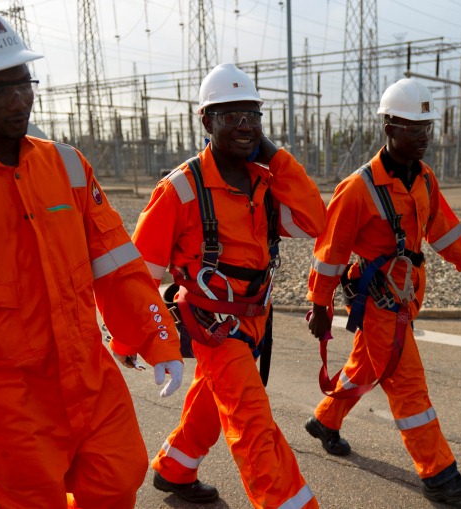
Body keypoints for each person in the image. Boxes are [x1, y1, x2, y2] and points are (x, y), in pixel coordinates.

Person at [0, 3, 184, 508]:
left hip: (92, 382)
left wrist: (158, 336)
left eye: (24, 83)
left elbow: (117, 266)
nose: (18, 101)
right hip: (7, 405)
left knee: (119, 480)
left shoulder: (67, 165)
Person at [109, 63, 325, 508]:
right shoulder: (180, 190)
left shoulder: (265, 183)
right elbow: (140, 274)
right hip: (212, 326)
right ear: (207, 122)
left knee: (213, 396)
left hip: (255, 319)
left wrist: (275, 155)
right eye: (231, 116)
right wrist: (129, 339)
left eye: (253, 116)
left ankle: (175, 467)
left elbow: (314, 221)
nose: (245, 125)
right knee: (253, 424)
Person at [304, 78, 461, 504]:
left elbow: (442, 226)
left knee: (365, 367)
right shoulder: (358, 189)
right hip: (379, 300)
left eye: (427, 127)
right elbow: (329, 253)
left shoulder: (424, 178)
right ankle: (439, 473)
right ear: (389, 127)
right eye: (414, 128)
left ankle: (325, 421)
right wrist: (320, 305)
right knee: (407, 383)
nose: (424, 137)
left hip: (405, 295)